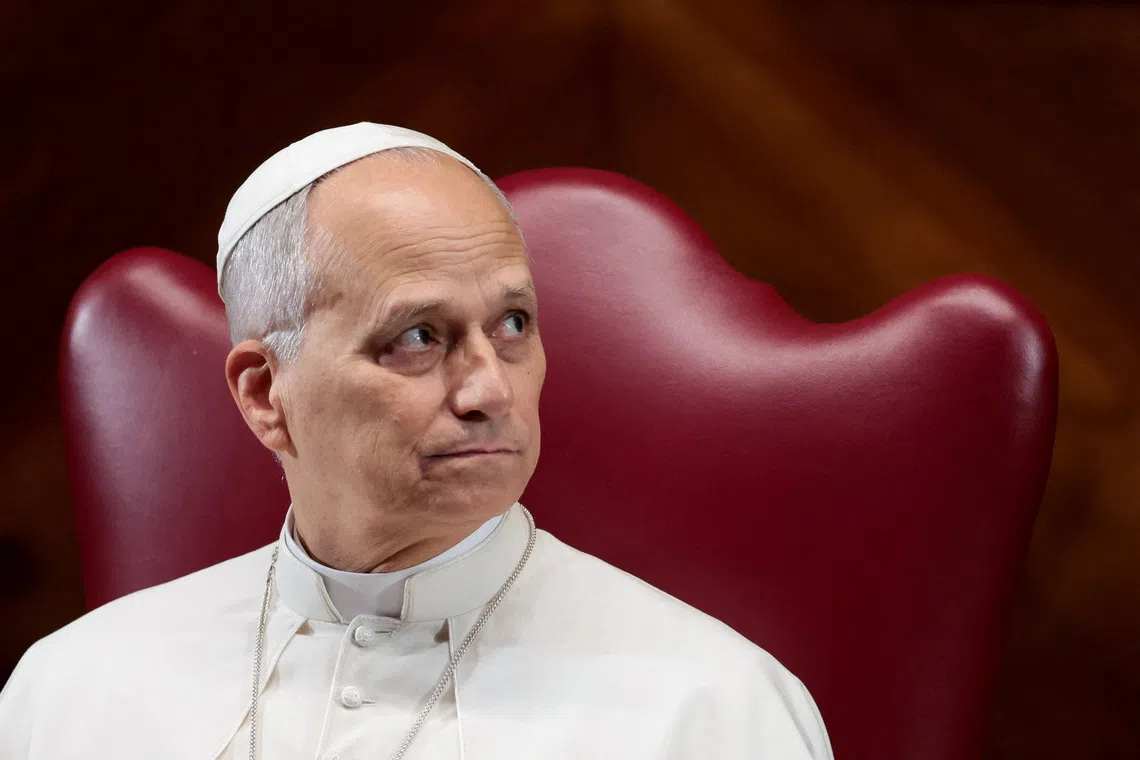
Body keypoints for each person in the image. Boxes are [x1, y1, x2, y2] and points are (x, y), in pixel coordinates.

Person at [0, 124, 833, 759]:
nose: (489, 391)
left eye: (513, 325)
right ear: (264, 393)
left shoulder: (713, 710)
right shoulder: (72, 693)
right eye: (417, 338)